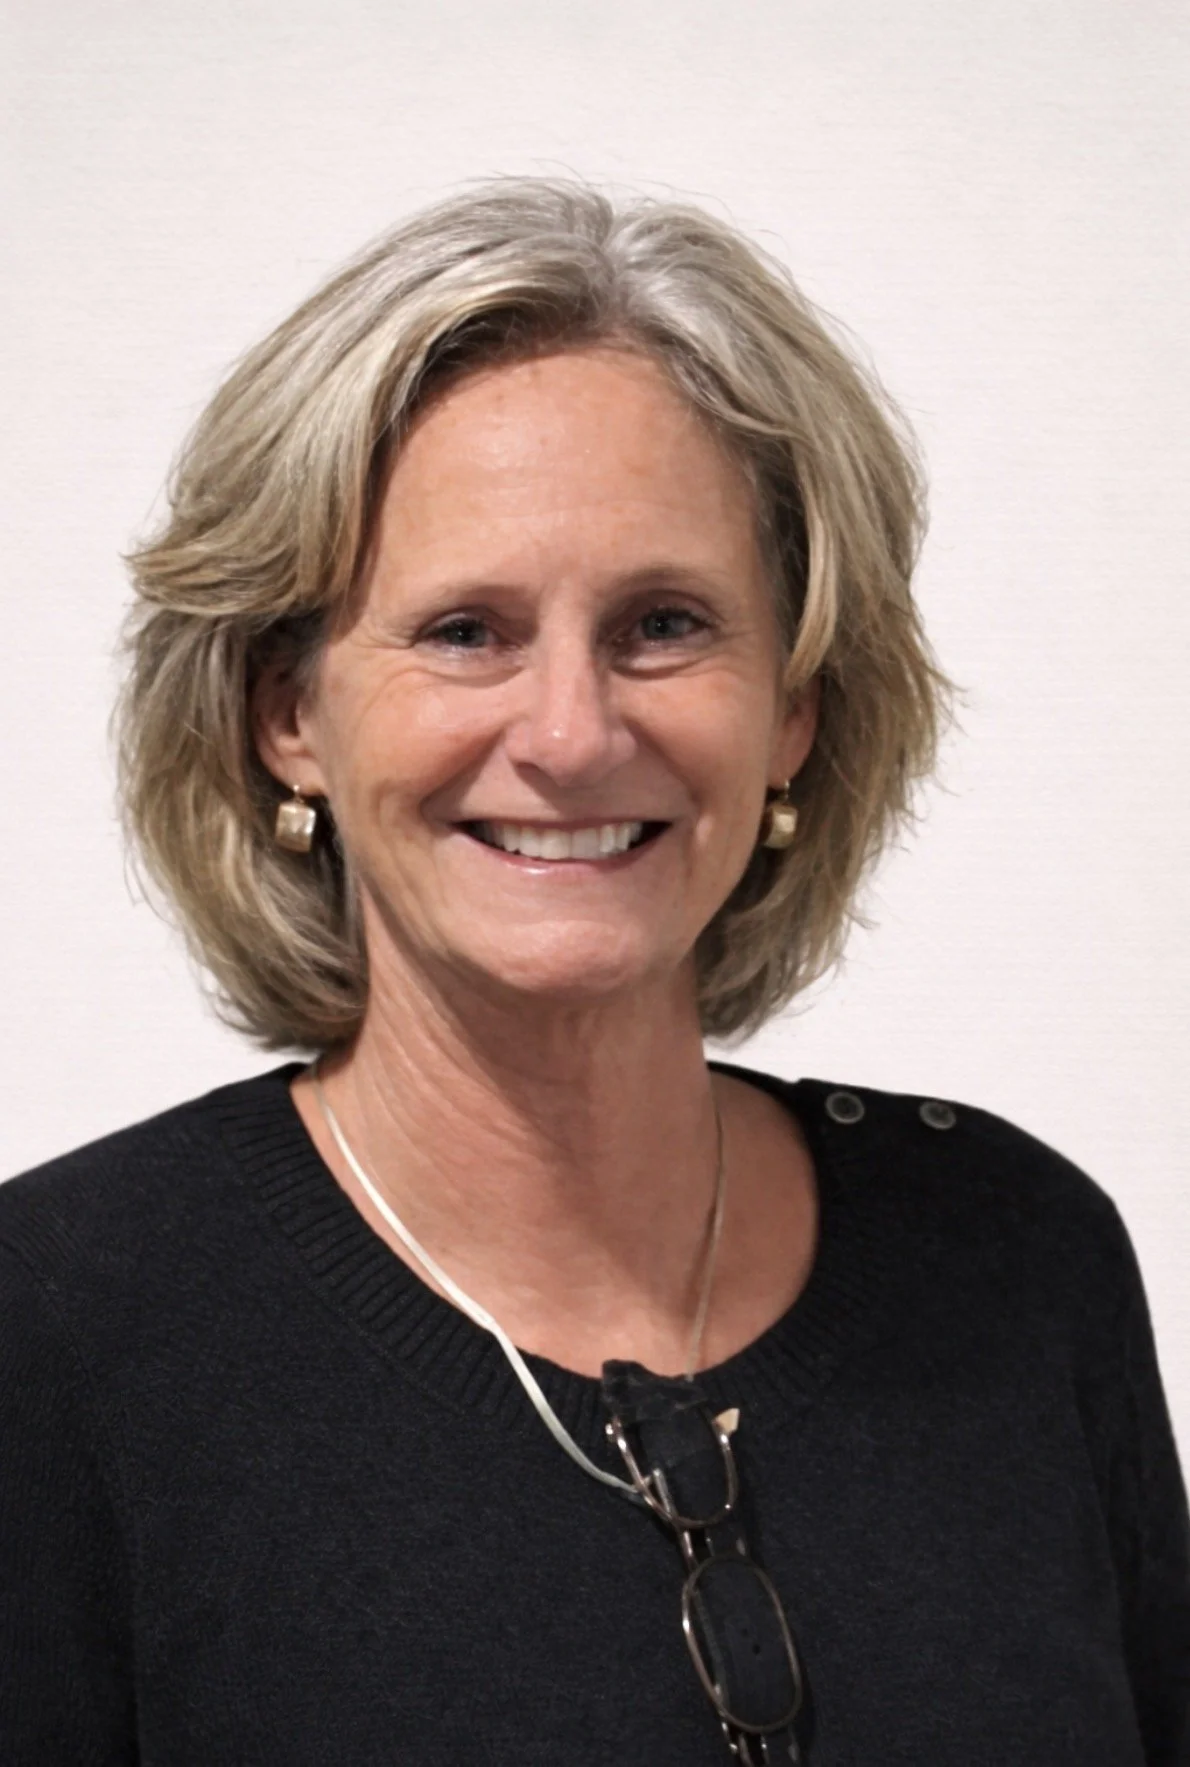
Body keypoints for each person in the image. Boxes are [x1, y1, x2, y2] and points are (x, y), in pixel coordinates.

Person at [1, 176, 1186, 1767]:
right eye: (466, 630)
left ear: (794, 711)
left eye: (664, 623)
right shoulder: (57, 1330)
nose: (568, 734)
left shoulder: (1018, 1260)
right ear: (287, 713)